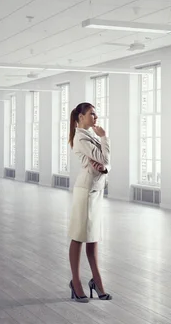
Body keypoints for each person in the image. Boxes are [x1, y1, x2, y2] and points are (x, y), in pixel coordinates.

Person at [67, 102, 112, 302]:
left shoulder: (90, 136)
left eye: (96, 114)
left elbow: (106, 162)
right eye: (92, 114)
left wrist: (104, 167)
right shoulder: (81, 138)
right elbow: (104, 156)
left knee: (93, 238)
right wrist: (104, 137)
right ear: (81, 117)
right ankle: (76, 282)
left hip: (96, 190)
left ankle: (97, 281)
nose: (96, 117)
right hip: (85, 190)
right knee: (78, 236)